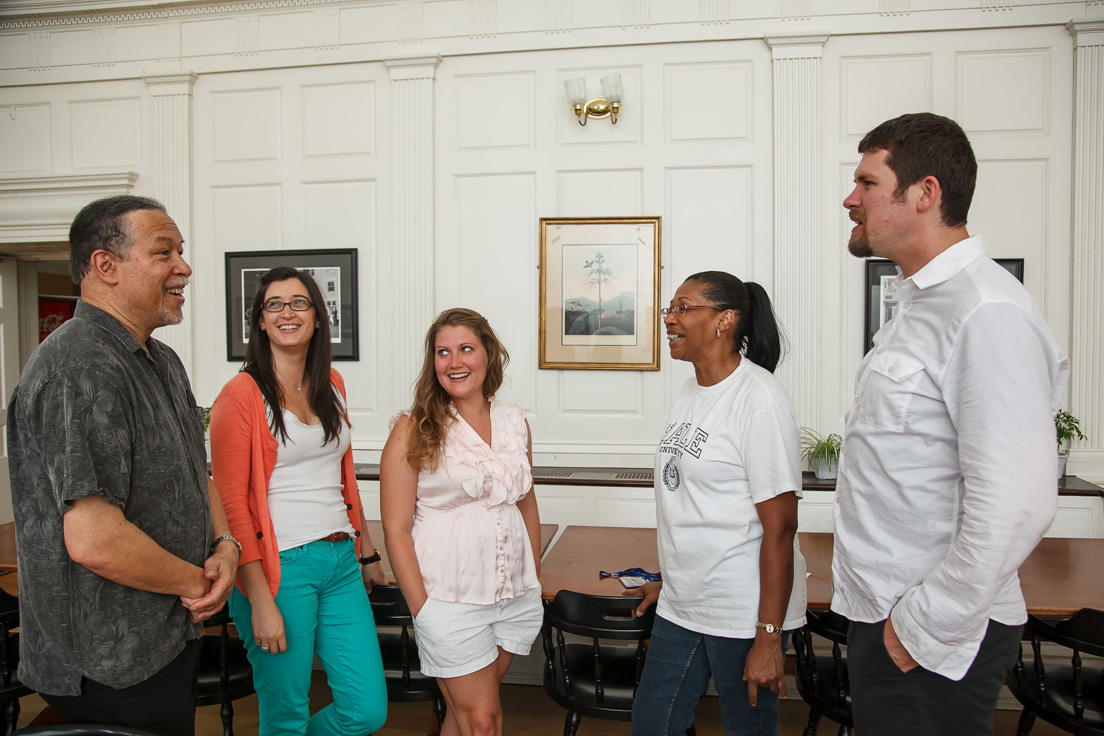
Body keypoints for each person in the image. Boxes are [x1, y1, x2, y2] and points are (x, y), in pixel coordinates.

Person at [832, 112, 1071, 736]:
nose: (850, 199)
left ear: (925, 193)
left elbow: (1017, 503)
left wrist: (922, 625)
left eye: (867, 182)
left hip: (928, 633)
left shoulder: (985, 311)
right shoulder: (923, 304)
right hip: (892, 618)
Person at [7, 195, 239, 735]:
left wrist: (226, 547)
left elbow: (193, 470)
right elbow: (93, 539)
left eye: (181, 251)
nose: (183, 267)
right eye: (164, 252)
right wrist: (196, 581)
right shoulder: (78, 366)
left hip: (164, 634)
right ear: (104, 266)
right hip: (108, 659)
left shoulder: (161, 359)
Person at [210, 266, 388, 735]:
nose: (287, 312)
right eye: (275, 304)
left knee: (366, 709)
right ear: (260, 322)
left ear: (318, 316)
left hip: (340, 560)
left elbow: (343, 478)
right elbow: (232, 507)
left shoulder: (332, 382)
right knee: (286, 712)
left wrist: (367, 552)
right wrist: (260, 598)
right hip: (279, 567)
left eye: (299, 302)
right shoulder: (239, 395)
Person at [629, 271, 807, 736]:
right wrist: (672, 581)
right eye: (670, 308)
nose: (670, 318)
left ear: (725, 320)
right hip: (684, 603)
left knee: (747, 729)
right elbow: (697, 504)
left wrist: (768, 637)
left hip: (744, 610)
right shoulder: (692, 392)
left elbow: (781, 529)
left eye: (683, 308)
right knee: (653, 723)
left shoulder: (760, 400)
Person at [380, 308, 543, 736]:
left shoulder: (514, 421)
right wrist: (423, 610)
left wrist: (534, 577)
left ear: (488, 354)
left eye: (466, 349)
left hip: (514, 596)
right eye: (443, 352)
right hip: (448, 600)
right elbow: (395, 528)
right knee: (484, 721)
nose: (454, 362)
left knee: (465, 716)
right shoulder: (413, 428)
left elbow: (526, 503)